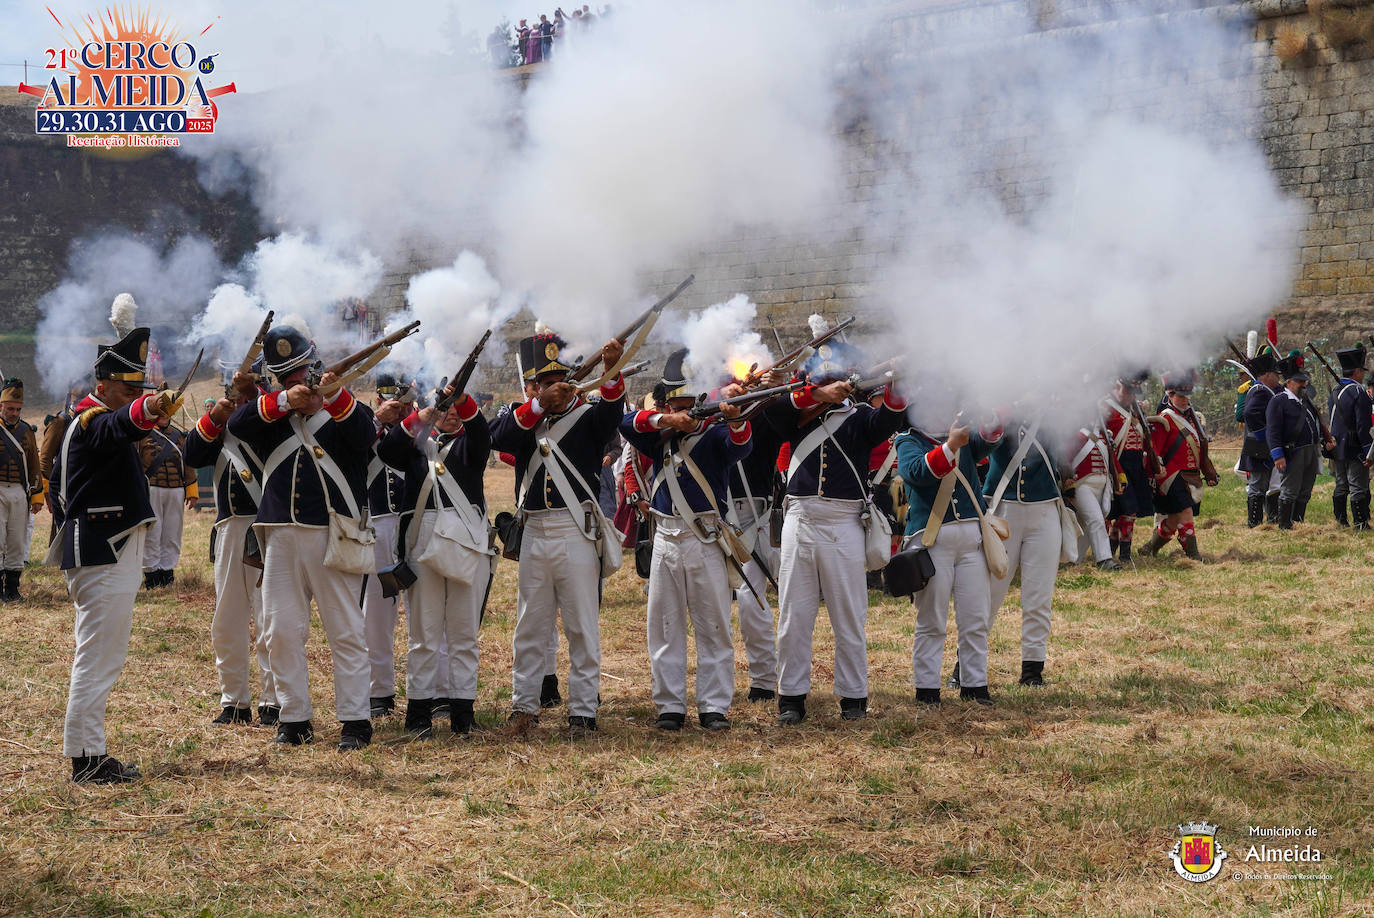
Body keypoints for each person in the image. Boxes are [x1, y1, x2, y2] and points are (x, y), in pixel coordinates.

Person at [227, 320, 376, 751]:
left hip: (333, 533)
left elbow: (367, 436)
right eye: (286, 377)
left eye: (301, 372)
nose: (296, 381)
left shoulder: (345, 408)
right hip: (280, 535)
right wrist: (282, 401)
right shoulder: (273, 415)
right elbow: (238, 425)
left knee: (345, 630)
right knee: (279, 631)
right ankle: (294, 717)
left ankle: (355, 720)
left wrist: (331, 398)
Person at [52, 326, 180, 783]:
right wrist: (148, 407)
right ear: (102, 387)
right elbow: (118, 424)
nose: (132, 397)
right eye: (126, 389)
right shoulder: (91, 420)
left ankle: (88, 750)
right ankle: (86, 757)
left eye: (137, 390)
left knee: (102, 655)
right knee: (98, 657)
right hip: (106, 549)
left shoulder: (91, 421)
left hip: (104, 547)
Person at [762, 339, 907, 724]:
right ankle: (790, 697)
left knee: (849, 614)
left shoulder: (859, 417)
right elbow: (774, 407)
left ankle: (854, 696)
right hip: (800, 519)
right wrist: (815, 394)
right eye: (821, 384)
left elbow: (891, 416)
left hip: (844, 521)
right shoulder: (794, 415)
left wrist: (900, 376)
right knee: (794, 614)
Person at [489, 330, 626, 736]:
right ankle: (523, 706)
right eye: (543, 384)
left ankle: (583, 711)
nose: (553, 389)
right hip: (533, 531)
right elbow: (497, 437)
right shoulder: (521, 418)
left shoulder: (587, 416)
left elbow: (612, 414)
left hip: (574, 529)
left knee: (582, 625)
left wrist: (612, 369)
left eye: (558, 381)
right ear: (530, 387)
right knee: (530, 626)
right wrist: (537, 406)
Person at [620, 349, 752, 731]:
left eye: (686, 400)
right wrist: (667, 420)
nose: (682, 405)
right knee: (664, 626)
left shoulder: (715, 436)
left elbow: (741, 446)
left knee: (713, 626)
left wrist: (737, 418)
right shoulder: (660, 437)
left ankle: (714, 706)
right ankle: (670, 706)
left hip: (705, 537)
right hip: (664, 537)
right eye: (675, 401)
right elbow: (630, 424)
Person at [377, 384, 493, 738]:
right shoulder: (414, 445)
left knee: (462, 634)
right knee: (423, 635)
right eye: (444, 407)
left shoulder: (472, 443)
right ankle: (418, 715)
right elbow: (387, 450)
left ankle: (462, 713)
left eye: (457, 406)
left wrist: (462, 399)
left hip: (465, 542)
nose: (452, 412)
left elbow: (481, 433)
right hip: (421, 541)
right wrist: (419, 417)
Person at [185, 360, 278, 726]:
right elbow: (191, 456)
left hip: (268, 528)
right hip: (230, 528)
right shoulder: (217, 426)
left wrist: (254, 399)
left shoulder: (272, 421)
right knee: (228, 618)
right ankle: (234, 700)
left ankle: (274, 700)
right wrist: (214, 419)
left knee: (270, 617)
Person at [896, 414, 1001, 705]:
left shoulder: (963, 435)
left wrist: (995, 412)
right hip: (931, 541)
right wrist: (952, 444)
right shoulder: (908, 439)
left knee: (975, 619)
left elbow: (990, 437)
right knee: (932, 620)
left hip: (972, 542)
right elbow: (917, 472)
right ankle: (927, 690)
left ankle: (975, 685)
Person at [982, 413, 1064, 690]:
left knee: (1039, 596)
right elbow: (984, 441)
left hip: (1045, 508)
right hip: (1004, 508)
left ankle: (1032, 669)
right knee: (989, 594)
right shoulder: (998, 407)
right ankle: (966, 664)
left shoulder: (1054, 407)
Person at [725, 373, 787, 704]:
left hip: (753, 516)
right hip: (712, 517)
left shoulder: (764, 417)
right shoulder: (711, 418)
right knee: (714, 608)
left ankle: (763, 680)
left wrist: (767, 390)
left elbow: (777, 413)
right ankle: (717, 686)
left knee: (751, 602)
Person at [360, 375, 414, 720]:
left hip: (414, 525)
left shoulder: (421, 427)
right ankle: (379, 690)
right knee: (377, 614)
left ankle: (431, 690)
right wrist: (380, 420)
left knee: (424, 612)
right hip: (378, 523)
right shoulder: (364, 426)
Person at [1140, 369, 1220, 559]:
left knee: (1175, 520)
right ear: (1170, 395)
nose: (1185, 400)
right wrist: (1156, 470)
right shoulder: (1164, 419)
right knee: (1186, 514)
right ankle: (1194, 557)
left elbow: (1200, 449)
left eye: (1187, 396)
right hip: (1172, 477)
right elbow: (1154, 450)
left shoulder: (1192, 419)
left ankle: (1150, 548)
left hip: (1191, 476)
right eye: (1181, 396)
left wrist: (1209, 472)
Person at [1266, 354, 1331, 529]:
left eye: (1304, 381)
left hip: (1310, 450)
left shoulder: (1305, 402)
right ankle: (1285, 525)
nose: (1304, 384)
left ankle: (1298, 523)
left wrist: (1325, 440)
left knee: (1305, 490)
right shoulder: (1278, 401)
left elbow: (1316, 424)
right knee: (1289, 490)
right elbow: (1273, 431)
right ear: (1288, 382)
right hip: (1293, 453)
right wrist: (1278, 455)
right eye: (1299, 381)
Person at [139, 402, 196, 589]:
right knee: (152, 533)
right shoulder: (142, 433)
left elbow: (187, 462)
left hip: (176, 489)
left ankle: (167, 572)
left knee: (172, 533)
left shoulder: (178, 435)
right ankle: (151, 574)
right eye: (160, 412)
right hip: (152, 488)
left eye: (166, 412)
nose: (163, 416)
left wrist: (191, 490)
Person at [1102, 370, 1155, 562]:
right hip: (1116, 464)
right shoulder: (1105, 408)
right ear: (1118, 387)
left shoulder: (1136, 409)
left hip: (1135, 465)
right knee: (1120, 510)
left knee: (1129, 511)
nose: (1131, 396)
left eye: (1133, 392)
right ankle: (1115, 553)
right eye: (1127, 391)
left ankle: (1119, 551)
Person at [0, 378, 42, 601]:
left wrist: (36, 495)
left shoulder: (26, 430)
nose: (14, 413)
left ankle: (12, 590)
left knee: (17, 542)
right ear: (1, 406)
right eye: (10, 408)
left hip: (18, 491)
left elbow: (34, 463)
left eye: (17, 409)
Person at [1061, 414, 1121, 570]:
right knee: (1095, 520)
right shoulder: (1075, 435)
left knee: (1086, 525)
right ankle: (1104, 560)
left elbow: (1112, 459)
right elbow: (1064, 458)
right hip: (1082, 484)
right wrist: (1066, 479)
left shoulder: (1104, 435)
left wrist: (1121, 478)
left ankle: (1073, 560)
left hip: (1103, 485)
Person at [1327, 344, 1372, 529]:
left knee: (1341, 484)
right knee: (1357, 486)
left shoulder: (1335, 391)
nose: (1363, 374)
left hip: (1338, 446)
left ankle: (1340, 520)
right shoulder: (1358, 392)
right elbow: (1363, 426)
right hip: (1355, 447)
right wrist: (1369, 452)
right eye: (1361, 370)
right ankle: (1360, 523)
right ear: (1356, 371)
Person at [1238, 350, 1282, 527]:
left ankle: (1259, 522)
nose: (1278, 378)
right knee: (1257, 486)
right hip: (1258, 447)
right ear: (1268, 374)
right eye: (1275, 374)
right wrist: (1265, 437)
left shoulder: (1263, 389)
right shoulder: (1260, 390)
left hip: (1261, 447)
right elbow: (1250, 413)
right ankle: (1254, 524)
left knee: (1262, 485)